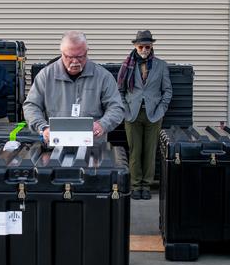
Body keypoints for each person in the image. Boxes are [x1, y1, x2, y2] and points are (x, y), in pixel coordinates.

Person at [23, 31, 125, 144]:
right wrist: (43, 128)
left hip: (92, 147)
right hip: (56, 146)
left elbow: (116, 108)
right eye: (70, 57)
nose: (75, 61)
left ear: (87, 52)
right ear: (62, 53)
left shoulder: (103, 77)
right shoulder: (46, 76)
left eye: (80, 56)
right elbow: (31, 106)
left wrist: (102, 124)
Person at [117, 30, 172, 199]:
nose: (144, 49)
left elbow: (167, 90)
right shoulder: (127, 65)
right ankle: (135, 185)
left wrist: (161, 109)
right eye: (141, 46)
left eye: (147, 46)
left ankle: (146, 186)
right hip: (132, 115)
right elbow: (119, 91)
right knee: (135, 151)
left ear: (151, 46)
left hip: (154, 115)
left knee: (150, 151)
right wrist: (125, 110)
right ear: (135, 46)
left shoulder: (161, 65)